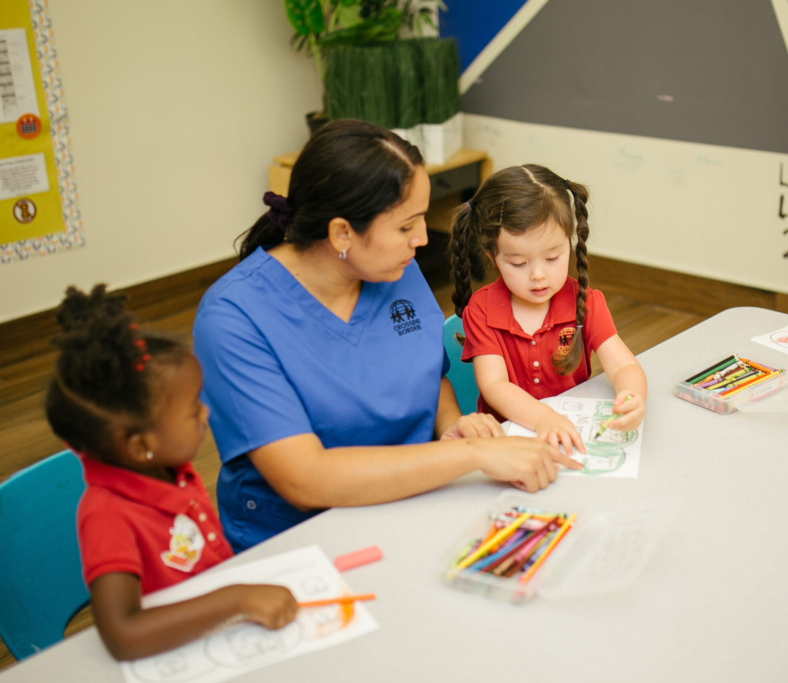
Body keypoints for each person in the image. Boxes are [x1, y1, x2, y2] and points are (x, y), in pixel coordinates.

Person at [193, 120, 579, 553]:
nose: (422, 238)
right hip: (302, 540)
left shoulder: (396, 268)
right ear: (342, 233)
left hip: (414, 499)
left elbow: (428, 376)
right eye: (406, 225)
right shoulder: (233, 319)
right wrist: (469, 456)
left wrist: (454, 425)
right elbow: (305, 478)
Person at [45, 285, 297, 661]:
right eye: (192, 408)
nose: (205, 412)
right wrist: (236, 599)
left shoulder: (168, 469)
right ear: (140, 446)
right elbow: (123, 635)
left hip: (218, 638)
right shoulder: (106, 515)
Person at [449, 164, 648, 455]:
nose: (538, 275)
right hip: (509, 445)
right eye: (519, 264)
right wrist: (544, 419)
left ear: (569, 243)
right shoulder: (483, 310)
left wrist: (632, 396)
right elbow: (494, 385)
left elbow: (624, 365)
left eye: (553, 257)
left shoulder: (586, 302)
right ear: (493, 256)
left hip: (572, 436)